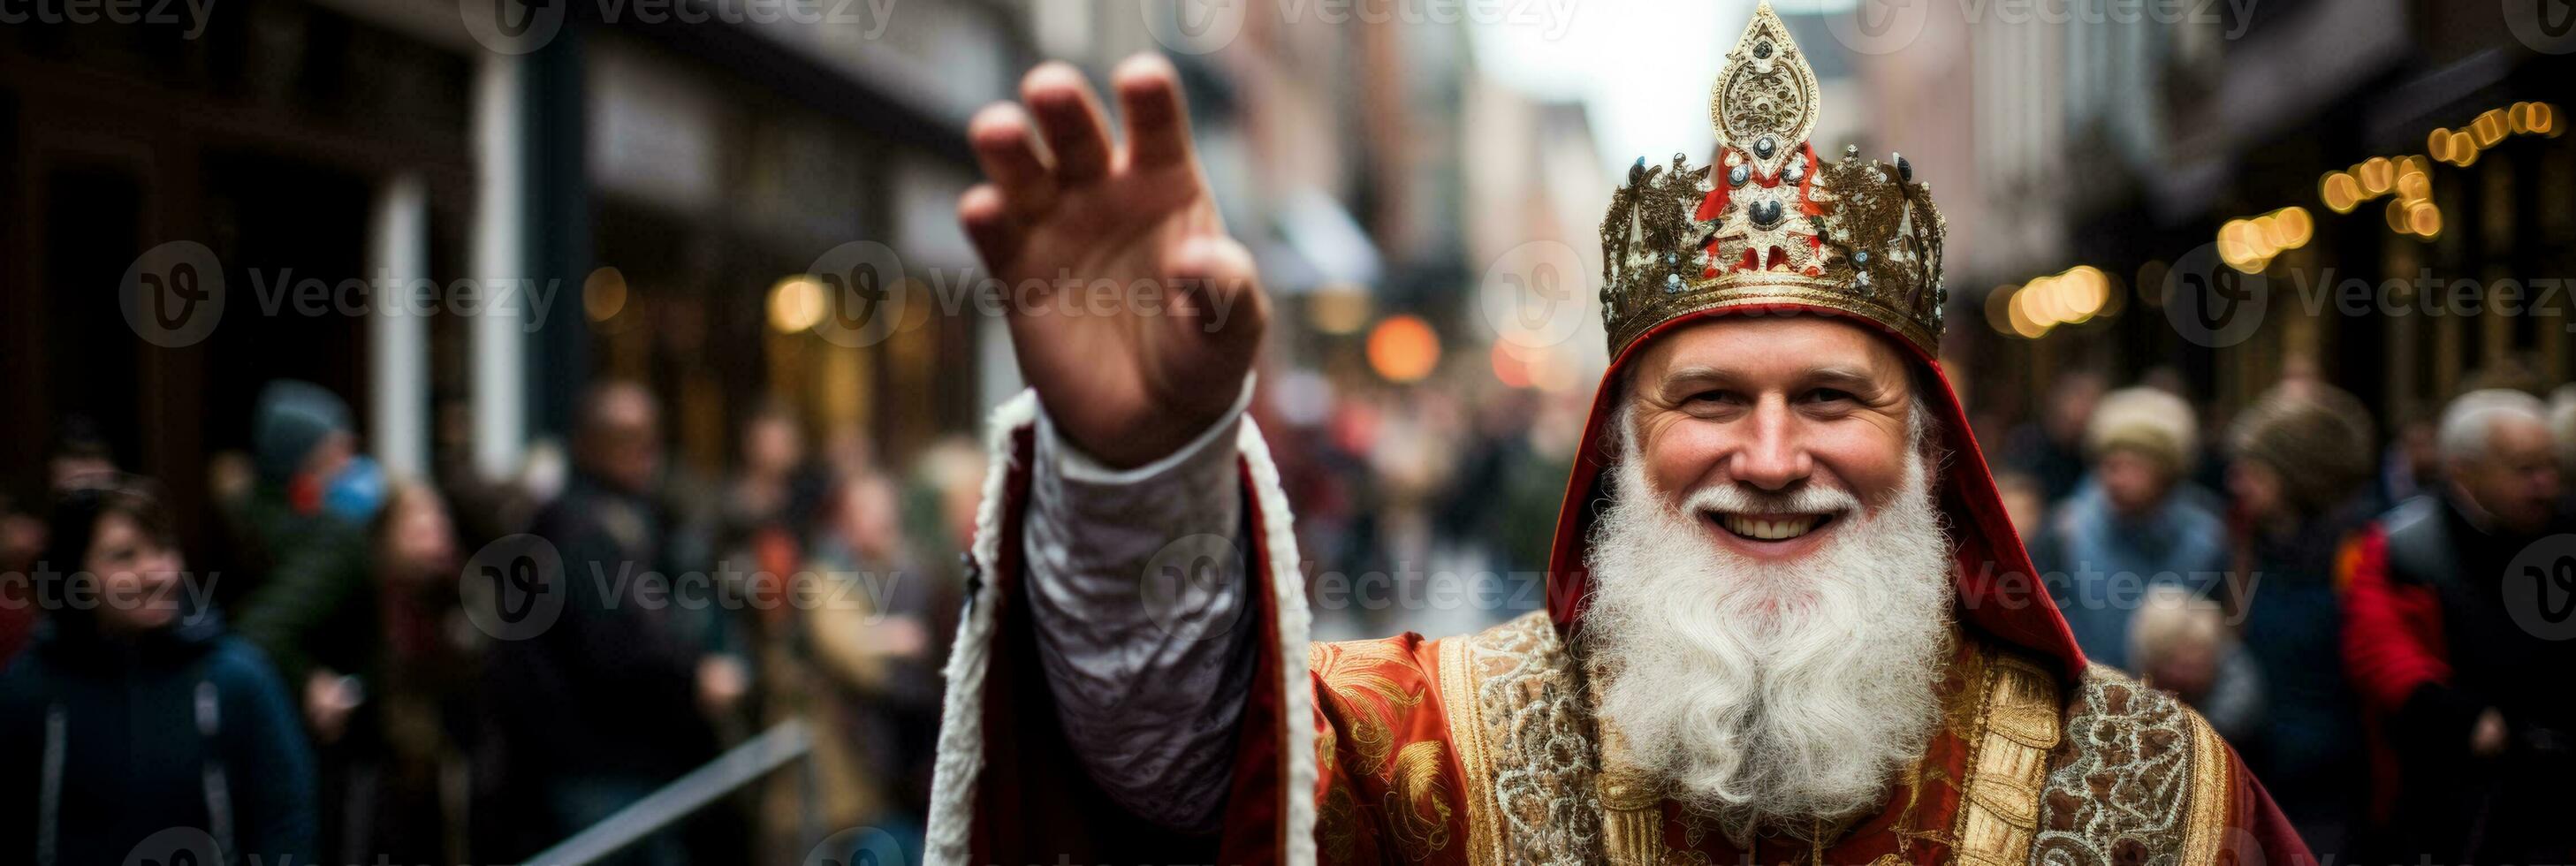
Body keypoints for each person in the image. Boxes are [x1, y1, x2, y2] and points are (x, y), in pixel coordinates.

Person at [924, 7, 2311, 864]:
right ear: (1617, 447)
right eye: (1707, 402)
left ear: (1929, 446)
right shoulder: (1438, 749)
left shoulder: (2148, 794)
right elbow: (1182, 777)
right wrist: (1137, 475)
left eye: (1830, 398)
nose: (1770, 459)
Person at [0, 482, 316, 865]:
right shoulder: (30, 688)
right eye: (125, 556)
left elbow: (285, 820)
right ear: (72, 574)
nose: (157, 573)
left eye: (163, 548)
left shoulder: (235, 679)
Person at [483, 381, 732, 865]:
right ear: (589, 444)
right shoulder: (572, 527)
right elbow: (611, 643)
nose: (645, 452)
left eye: (650, 436)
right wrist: (693, 679)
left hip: (626, 763)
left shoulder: (634, 516)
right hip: (593, 768)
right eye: (626, 437)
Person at [2340, 389, 2576, 862]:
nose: (2547, 484)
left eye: (2552, 467)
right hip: (2451, 788)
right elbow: (2378, 648)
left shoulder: (2564, 527)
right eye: (2526, 469)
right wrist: (2458, 715)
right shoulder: (2403, 545)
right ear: (2463, 471)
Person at [2224, 383, 2379, 849]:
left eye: (2254, 470)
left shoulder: (2357, 556)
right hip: (2260, 780)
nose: (2237, 481)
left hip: (2335, 793)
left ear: (2296, 477)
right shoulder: (2250, 549)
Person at [2030, 385, 2231, 668]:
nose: (2118, 479)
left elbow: (2225, 638)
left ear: (2167, 473)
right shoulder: (2065, 531)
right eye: (2111, 465)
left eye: (2135, 466)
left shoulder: (2208, 538)